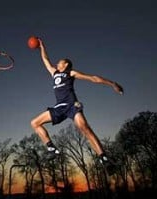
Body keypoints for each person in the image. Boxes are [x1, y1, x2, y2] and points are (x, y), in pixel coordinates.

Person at [30, 38, 123, 175]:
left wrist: (112, 84)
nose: (57, 63)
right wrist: (41, 46)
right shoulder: (54, 73)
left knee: (84, 128)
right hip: (59, 107)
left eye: (60, 62)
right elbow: (45, 59)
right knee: (34, 123)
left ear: (66, 64)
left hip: (71, 104)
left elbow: (93, 78)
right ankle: (52, 149)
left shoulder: (70, 73)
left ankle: (105, 159)